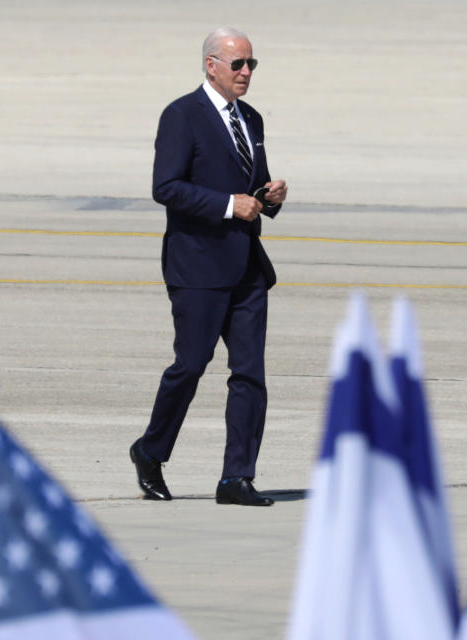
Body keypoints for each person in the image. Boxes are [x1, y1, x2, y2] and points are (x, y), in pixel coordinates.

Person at [130, 26, 287, 506]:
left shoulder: (252, 119)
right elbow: (167, 187)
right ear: (211, 65)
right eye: (237, 64)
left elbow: (251, 187)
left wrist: (269, 197)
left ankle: (235, 478)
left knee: (250, 376)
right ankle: (150, 451)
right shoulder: (182, 116)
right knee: (191, 366)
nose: (245, 73)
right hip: (197, 267)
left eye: (251, 65)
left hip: (247, 270)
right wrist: (226, 205)